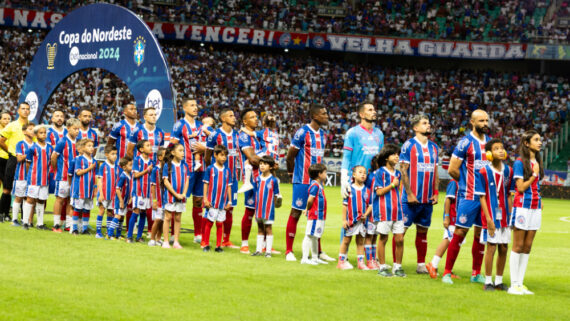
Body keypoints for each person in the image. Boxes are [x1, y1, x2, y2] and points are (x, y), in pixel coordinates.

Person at [443, 109, 490, 285]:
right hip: (468, 196)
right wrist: (465, 184)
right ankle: (447, 272)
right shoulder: (465, 143)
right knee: (460, 231)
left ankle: (476, 273)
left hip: (485, 198)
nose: (485, 124)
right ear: (472, 122)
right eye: (481, 121)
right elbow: (452, 169)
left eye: (486, 120)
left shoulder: (491, 144)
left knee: (480, 234)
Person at [285, 105, 332, 262]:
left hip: (317, 183)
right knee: (296, 212)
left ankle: (317, 252)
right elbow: (290, 156)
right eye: (323, 113)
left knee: (316, 216)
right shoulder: (302, 132)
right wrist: (293, 175)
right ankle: (289, 251)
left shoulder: (323, 134)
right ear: (315, 116)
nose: (327, 116)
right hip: (302, 180)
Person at [399, 115, 439, 274]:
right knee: (400, 233)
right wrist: (409, 193)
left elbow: (435, 171)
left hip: (427, 199)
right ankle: (397, 264)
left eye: (429, 123)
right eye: (424, 123)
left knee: (423, 231)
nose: (428, 125)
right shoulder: (408, 146)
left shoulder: (434, 147)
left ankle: (421, 264)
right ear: (415, 128)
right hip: (411, 199)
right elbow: (403, 170)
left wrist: (436, 192)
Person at [509, 130, 543, 295]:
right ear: (526, 143)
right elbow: (521, 188)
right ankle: (513, 284)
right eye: (536, 140)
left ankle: (520, 283)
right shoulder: (519, 163)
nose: (540, 142)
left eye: (540, 139)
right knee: (518, 245)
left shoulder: (537, 161)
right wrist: (534, 174)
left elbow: (536, 186)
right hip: (522, 206)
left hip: (535, 207)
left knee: (528, 246)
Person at [477, 139, 514, 291]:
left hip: (504, 216)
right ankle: (488, 281)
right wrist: (488, 219)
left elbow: (509, 195)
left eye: (502, 148)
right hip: (491, 216)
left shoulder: (509, 171)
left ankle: (498, 281)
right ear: (489, 154)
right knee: (491, 247)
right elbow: (482, 197)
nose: (500, 150)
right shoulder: (484, 172)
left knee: (504, 248)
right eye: (496, 148)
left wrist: (511, 215)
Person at [170, 99, 207, 244]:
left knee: (198, 201)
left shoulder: (201, 126)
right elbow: (172, 145)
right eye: (192, 105)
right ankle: (173, 233)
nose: (195, 108)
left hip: (201, 167)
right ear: (184, 108)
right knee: (179, 198)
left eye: (196, 105)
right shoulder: (179, 125)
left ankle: (198, 234)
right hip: (185, 169)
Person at [205, 109, 240, 249]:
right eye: (231, 116)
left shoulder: (238, 135)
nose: (234, 118)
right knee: (210, 207)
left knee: (229, 208)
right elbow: (207, 155)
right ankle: (204, 240)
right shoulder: (215, 135)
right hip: (216, 179)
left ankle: (226, 240)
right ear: (223, 118)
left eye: (234, 115)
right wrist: (211, 173)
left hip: (232, 179)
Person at [127, 107, 164, 234]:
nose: (154, 116)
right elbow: (130, 150)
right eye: (151, 114)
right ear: (145, 117)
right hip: (141, 172)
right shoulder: (137, 131)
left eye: (155, 114)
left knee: (152, 200)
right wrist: (134, 166)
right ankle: (130, 231)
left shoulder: (160, 132)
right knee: (137, 204)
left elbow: (161, 152)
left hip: (155, 171)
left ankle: (150, 231)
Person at [372, 144, 406, 277]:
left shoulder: (398, 173)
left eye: (398, 154)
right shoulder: (380, 172)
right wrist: (392, 185)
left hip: (397, 211)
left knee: (400, 239)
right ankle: (382, 266)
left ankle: (397, 267)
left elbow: (399, 190)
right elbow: (379, 191)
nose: (397, 156)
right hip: (384, 210)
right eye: (394, 154)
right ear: (386, 157)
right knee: (383, 238)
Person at [237, 109, 263, 254]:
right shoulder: (244, 137)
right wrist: (270, 162)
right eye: (252, 117)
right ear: (245, 122)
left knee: (265, 212)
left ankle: (265, 244)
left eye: (256, 116)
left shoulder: (258, 136)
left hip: (264, 178)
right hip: (252, 179)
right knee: (250, 210)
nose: (256, 119)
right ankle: (244, 244)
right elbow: (252, 158)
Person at [0, 103, 30, 222]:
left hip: (27, 161)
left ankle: (24, 217)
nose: (25, 111)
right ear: (18, 111)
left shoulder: (31, 126)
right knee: (7, 188)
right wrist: (11, 152)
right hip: (13, 159)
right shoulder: (12, 125)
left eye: (27, 109)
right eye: (23, 109)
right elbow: (1, 141)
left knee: (25, 189)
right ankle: (3, 214)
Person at [50, 118, 80, 233]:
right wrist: (56, 169)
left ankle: (68, 225)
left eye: (78, 129)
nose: (77, 131)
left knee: (69, 200)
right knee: (60, 199)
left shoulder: (78, 142)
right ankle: (56, 225)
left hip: (73, 177)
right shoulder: (62, 141)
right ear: (68, 129)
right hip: (62, 176)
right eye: (74, 129)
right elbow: (53, 157)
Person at [337, 165, 370, 270]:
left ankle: (360, 262)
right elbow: (344, 205)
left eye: (364, 173)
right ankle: (341, 261)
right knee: (346, 240)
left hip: (362, 221)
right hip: (351, 220)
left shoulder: (367, 190)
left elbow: (370, 205)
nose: (363, 174)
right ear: (354, 175)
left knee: (360, 242)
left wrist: (366, 214)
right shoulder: (349, 189)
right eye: (360, 172)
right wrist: (344, 220)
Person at [426, 179, 460, 279]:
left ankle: (448, 269)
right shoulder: (454, 182)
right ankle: (433, 264)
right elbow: (448, 199)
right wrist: (446, 216)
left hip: (459, 217)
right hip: (452, 217)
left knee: (455, 242)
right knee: (448, 239)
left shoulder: (462, 181)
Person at [22, 125, 54, 230]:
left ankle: (40, 224)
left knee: (41, 200)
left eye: (45, 133)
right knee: (30, 199)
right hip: (34, 179)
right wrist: (30, 175)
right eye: (41, 133)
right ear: (35, 135)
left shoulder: (50, 148)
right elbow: (28, 164)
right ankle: (25, 222)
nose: (44, 135)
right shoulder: (32, 148)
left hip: (45, 179)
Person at [202, 144, 232, 252]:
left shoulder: (227, 171)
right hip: (212, 202)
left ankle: (218, 246)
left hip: (222, 203)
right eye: (221, 155)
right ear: (215, 155)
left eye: (225, 156)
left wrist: (229, 201)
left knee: (220, 223)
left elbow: (228, 186)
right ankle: (206, 244)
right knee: (209, 223)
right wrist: (205, 199)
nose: (224, 157)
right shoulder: (210, 169)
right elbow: (206, 184)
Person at [250, 156, 281, 258]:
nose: (262, 166)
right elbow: (256, 193)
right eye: (261, 164)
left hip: (268, 209)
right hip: (259, 208)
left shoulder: (273, 180)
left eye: (265, 164)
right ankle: (258, 250)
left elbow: (276, 194)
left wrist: (276, 203)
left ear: (271, 167)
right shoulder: (257, 179)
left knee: (268, 228)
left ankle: (268, 251)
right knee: (259, 228)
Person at [161, 144, 190, 249]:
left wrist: (183, 194)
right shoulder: (168, 165)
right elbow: (166, 181)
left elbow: (187, 180)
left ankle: (176, 242)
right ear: (173, 152)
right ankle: (165, 241)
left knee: (178, 218)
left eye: (183, 151)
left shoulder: (185, 165)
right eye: (180, 150)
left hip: (181, 197)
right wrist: (175, 194)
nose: (183, 153)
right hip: (170, 196)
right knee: (168, 217)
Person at [300, 163, 328, 265]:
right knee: (309, 235)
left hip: (320, 215)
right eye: (325, 172)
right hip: (315, 215)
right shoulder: (315, 185)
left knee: (315, 236)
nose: (326, 174)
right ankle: (304, 258)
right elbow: (310, 199)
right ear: (319, 174)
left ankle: (315, 257)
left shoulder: (319, 185)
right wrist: (307, 209)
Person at [127, 139, 154, 243]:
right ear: (141, 149)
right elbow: (135, 175)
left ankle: (139, 237)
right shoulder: (137, 160)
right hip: (138, 191)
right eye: (148, 145)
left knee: (144, 213)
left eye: (150, 145)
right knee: (136, 212)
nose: (150, 147)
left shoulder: (151, 161)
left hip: (147, 192)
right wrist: (147, 170)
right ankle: (129, 236)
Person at [71, 139, 97, 235]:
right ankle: (74, 228)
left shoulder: (94, 161)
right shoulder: (79, 159)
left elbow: (94, 176)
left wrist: (95, 188)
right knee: (77, 208)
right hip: (80, 189)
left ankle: (84, 229)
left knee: (87, 209)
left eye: (92, 146)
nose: (91, 148)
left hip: (89, 190)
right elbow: (78, 172)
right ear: (83, 148)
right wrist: (89, 168)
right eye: (89, 146)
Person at [10, 123, 34, 226]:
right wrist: (30, 154)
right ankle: (14, 219)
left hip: (33, 177)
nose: (33, 131)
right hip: (21, 175)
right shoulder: (20, 144)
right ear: (24, 131)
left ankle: (25, 221)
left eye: (34, 129)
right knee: (19, 197)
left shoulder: (36, 144)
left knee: (27, 198)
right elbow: (19, 159)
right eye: (30, 129)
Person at [95, 145, 118, 239]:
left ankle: (109, 232)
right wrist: (100, 193)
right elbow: (99, 180)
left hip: (112, 194)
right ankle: (98, 232)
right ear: (106, 155)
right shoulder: (103, 166)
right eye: (112, 154)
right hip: (104, 193)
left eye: (116, 154)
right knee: (101, 210)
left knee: (110, 212)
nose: (115, 156)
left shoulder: (117, 167)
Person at [107, 157, 133, 240]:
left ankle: (118, 234)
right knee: (117, 216)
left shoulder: (130, 175)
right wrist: (121, 200)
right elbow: (117, 189)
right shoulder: (123, 176)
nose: (132, 167)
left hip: (125, 200)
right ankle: (109, 234)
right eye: (130, 165)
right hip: (119, 200)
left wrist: (130, 198)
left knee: (122, 216)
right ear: (124, 167)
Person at [148, 147, 166, 246]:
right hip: (158, 200)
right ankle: (152, 238)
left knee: (163, 220)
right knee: (157, 219)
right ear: (159, 157)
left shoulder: (168, 169)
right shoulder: (156, 170)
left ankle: (159, 238)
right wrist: (154, 200)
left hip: (166, 200)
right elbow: (153, 186)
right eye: (165, 155)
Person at [0, 111, 12, 213]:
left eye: (8, 119)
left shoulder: (11, 130)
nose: (7, 121)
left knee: (8, 187)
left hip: (8, 160)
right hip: (0, 159)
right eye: (4, 118)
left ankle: (5, 211)